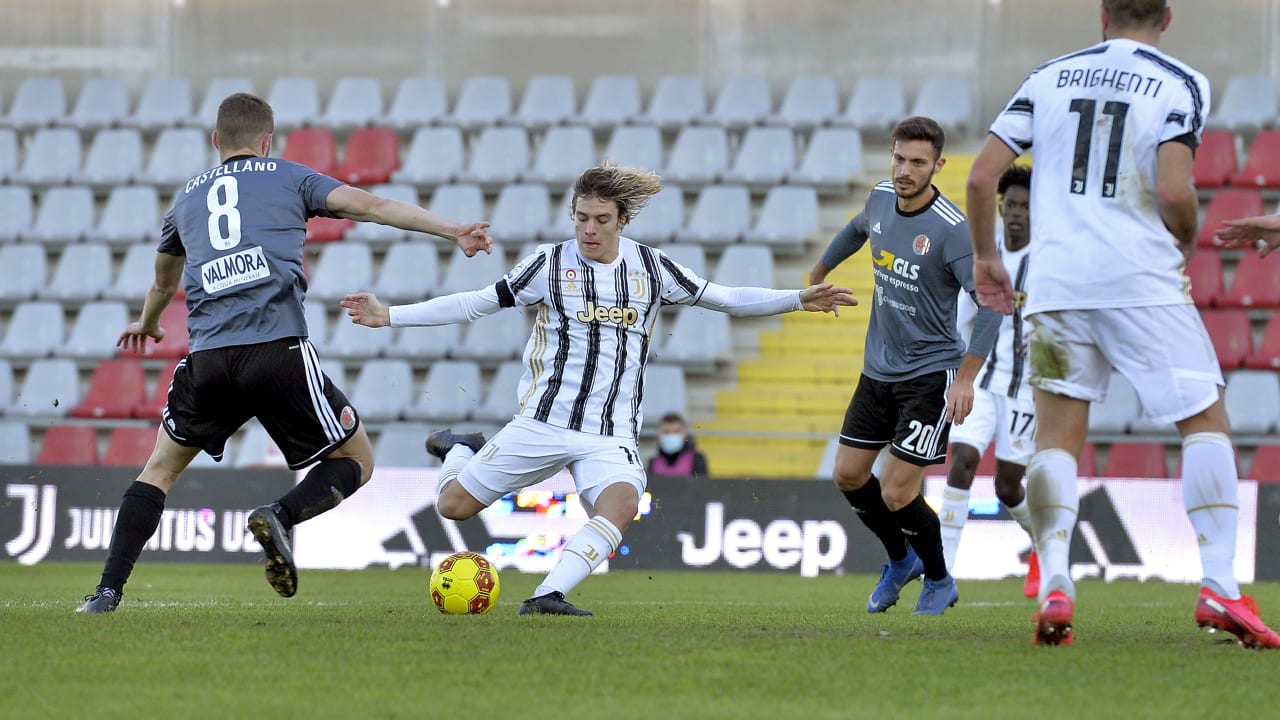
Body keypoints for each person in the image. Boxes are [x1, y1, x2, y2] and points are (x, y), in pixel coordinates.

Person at [341, 162, 855, 616]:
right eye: (581, 217)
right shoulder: (549, 263)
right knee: (452, 506)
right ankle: (459, 451)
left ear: (622, 220)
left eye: (601, 219)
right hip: (543, 421)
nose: (590, 229)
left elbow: (724, 298)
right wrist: (390, 315)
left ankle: (547, 595)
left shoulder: (652, 267)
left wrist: (796, 298)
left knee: (623, 503)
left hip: (609, 432)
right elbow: (476, 302)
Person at [76, 92, 493, 613]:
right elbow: (371, 206)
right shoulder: (290, 176)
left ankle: (107, 592)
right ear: (267, 142)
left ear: (215, 140)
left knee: (158, 469)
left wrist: (148, 323)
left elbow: (163, 280)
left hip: (208, 361)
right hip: (276, 351)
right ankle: (279, 515)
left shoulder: (184, 200)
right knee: (356, 460)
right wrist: (453, 228)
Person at [966, 0, 1280, 648]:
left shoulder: (1048, 75)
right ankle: (1219, 585)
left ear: (1102, 14)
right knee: (1205, 419)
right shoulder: (1178, 81)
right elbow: (1172, 192)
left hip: (1055, 288)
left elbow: (980, 177)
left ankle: (1055, 582)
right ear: (1166, 17)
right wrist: (1186, 241)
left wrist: (987, 258)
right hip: (1141, 282)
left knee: (1055, 437)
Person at [810, 116, 1000, 616]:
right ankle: (900, 559)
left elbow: (993, 304)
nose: (905, 170)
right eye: (899, 159)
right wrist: (819, 273)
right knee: (849, 476)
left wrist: (965, 378)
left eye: (918, 162)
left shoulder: (952, 231)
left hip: (930, 374)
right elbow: (856, 230)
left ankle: (939, 580)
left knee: (897, 490)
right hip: (877, 371)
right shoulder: (878, 198)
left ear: (937, 165)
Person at [939, 165, 1040, 598]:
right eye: (1010, 205)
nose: (1016, 213)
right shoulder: (984, 254)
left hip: (1024, 387)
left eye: (1024, 206)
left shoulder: (1049, 261)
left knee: (1008, 485)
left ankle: (1042, 545)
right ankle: (940, 575)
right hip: (979, 379)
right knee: (961, 463)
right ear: (1000, 208)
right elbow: (963, 315)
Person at [647, 412, 709, 477]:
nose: (671, 436)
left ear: (685, 434)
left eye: (676, 432)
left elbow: (703, 485)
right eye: (666, 432)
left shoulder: (696, 459)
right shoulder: (653, 462)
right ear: (658, 435)